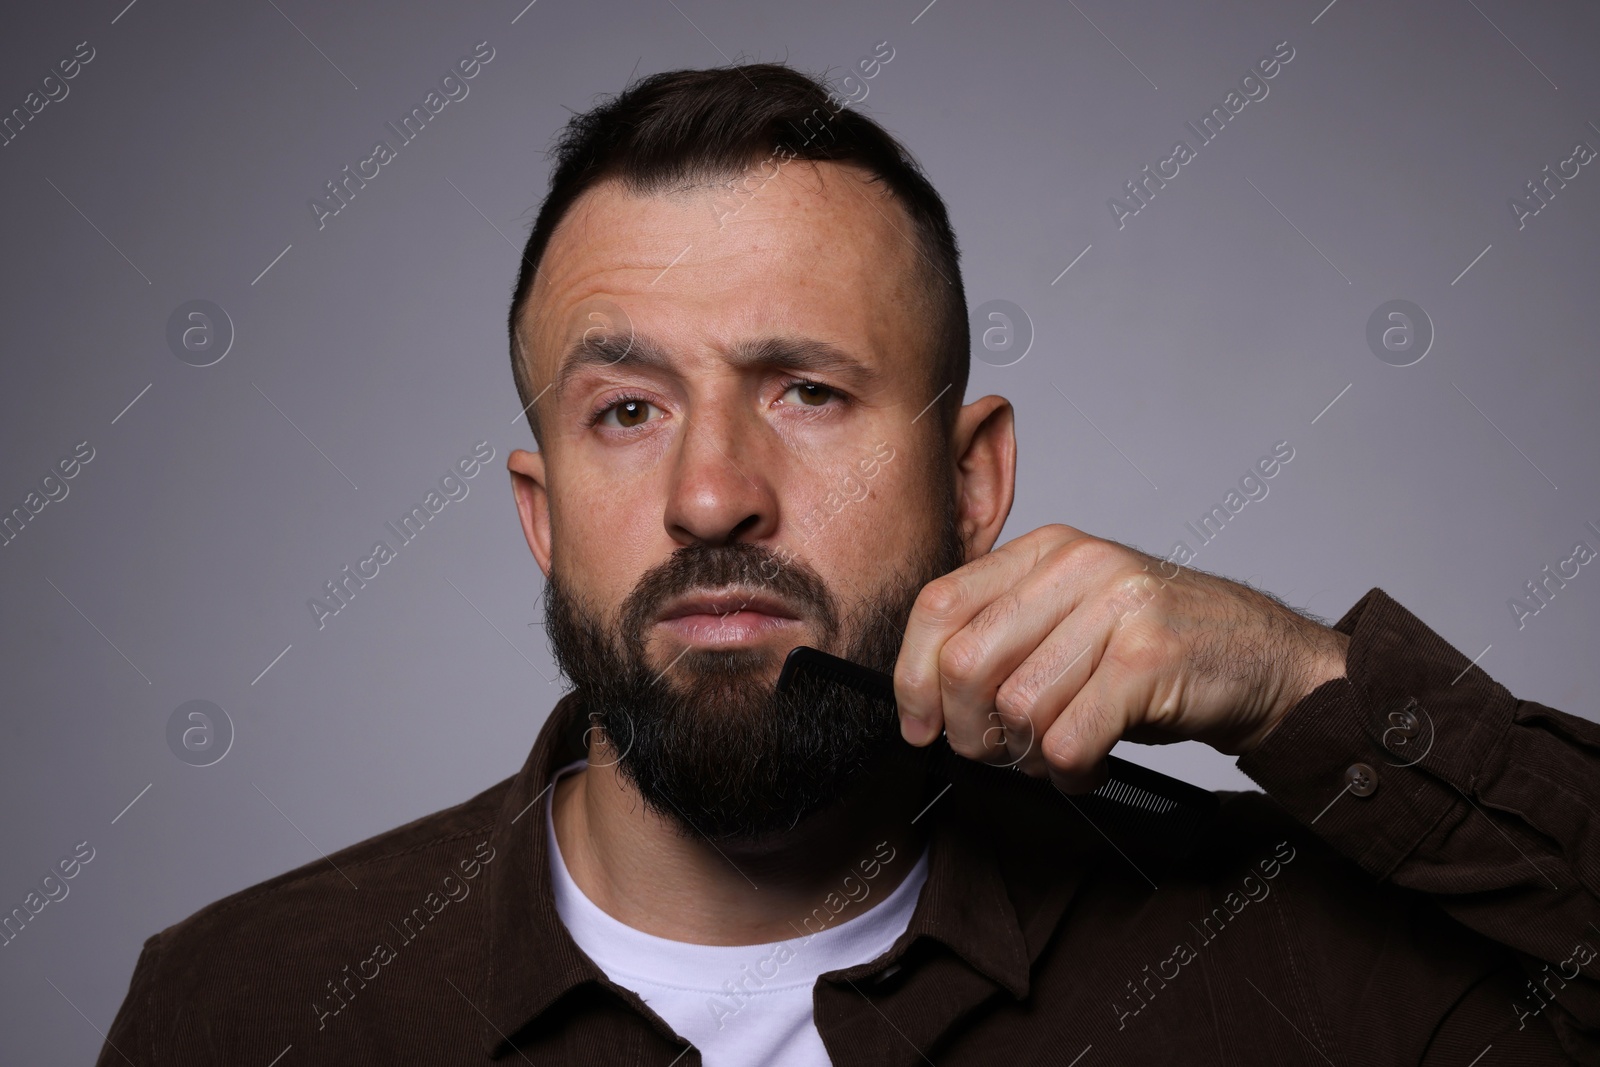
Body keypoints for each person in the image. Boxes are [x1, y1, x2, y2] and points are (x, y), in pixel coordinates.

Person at [97, 62, 1599, 1066]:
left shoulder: (1291, 978)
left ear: (971, 483)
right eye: (626, 412)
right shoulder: (243, 1008)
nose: (710, 496)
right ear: (541, 516)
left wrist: (1300, 687)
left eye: (807, 392)